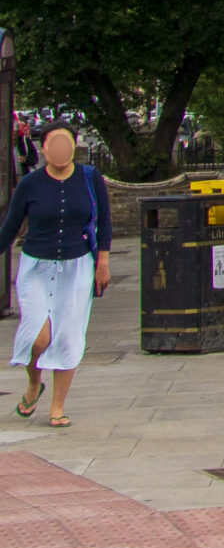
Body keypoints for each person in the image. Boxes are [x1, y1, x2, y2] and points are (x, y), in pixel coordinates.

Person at [0, 126, 110, 428]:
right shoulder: (30, 184)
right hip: (37, 267)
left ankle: (57, 406)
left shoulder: (90, 177)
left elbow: (104, 222)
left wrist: (103, 261)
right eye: (54, 144)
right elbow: (10, 226)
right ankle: (34, 382)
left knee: (68, 337)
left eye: (66, 143)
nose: (61, 149)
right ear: (44, 150)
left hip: (77, 268)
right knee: (38, 335)